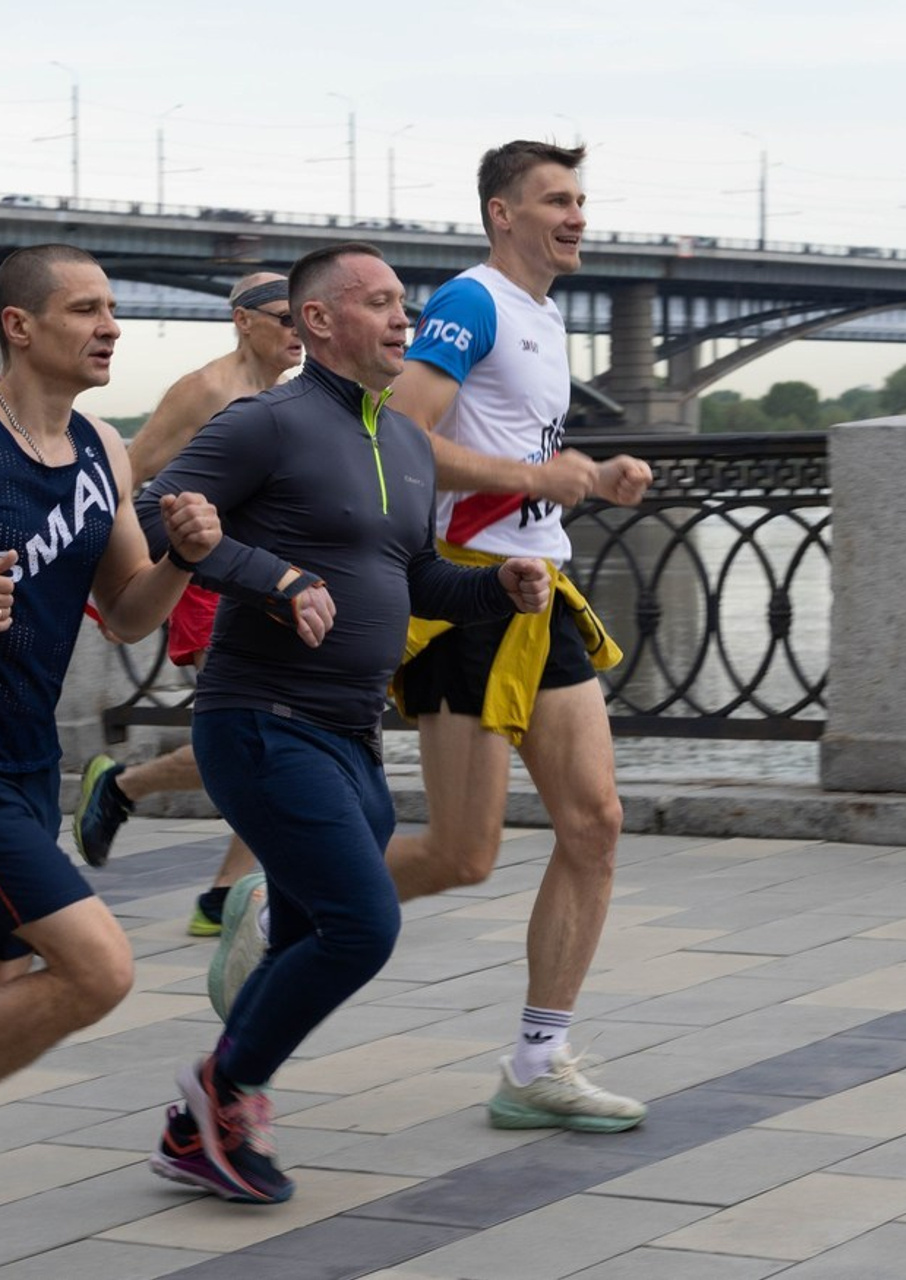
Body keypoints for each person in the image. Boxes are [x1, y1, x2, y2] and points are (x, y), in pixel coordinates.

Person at [137, 241, 550, 1205]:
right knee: (361, 927)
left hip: (351, 733)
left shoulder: (402, 441)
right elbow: (162, 512)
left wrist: (501, 588)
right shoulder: (265, 424)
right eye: (379, 303)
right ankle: (219, 1092)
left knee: (313, 928)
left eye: (404, 302)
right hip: (260, 720)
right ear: (318, 321)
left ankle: (206, 1121)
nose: (404, 319)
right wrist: (267, 578)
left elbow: (413, 579)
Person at [385, 140, 653, 1132]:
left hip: (545, 585)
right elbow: (401, 432)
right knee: (462, 854)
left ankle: (537, 1060)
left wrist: (594, 475)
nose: (576, 215)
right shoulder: (473, 300)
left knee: (594, 824)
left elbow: (519, 449)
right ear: (503, 212)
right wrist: (539, 482)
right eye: (555, 199)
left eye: (581, 199)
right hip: (470, 592)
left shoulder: (541, 314)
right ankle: (286, 904)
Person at [0, 243, 221, 1083]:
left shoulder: (100, 446)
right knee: (99, 968)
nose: (113, 327)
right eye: (86, 310)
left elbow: (127, 613)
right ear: (18, 326)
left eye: (112, 308)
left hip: (30, 765)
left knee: (13, 994)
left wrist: (182, 561)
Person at [74, 273, 303, 936]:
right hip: (199, 581)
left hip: (256, 575)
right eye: (285, 319)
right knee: (253, 732)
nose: (299, 333)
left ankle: (214, 880)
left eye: (302, 321)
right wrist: (114, 593)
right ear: (244, 321)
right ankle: (224, 888)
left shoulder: (285, 396)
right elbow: (125, 477)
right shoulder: (206, 390)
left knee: (262, 732)